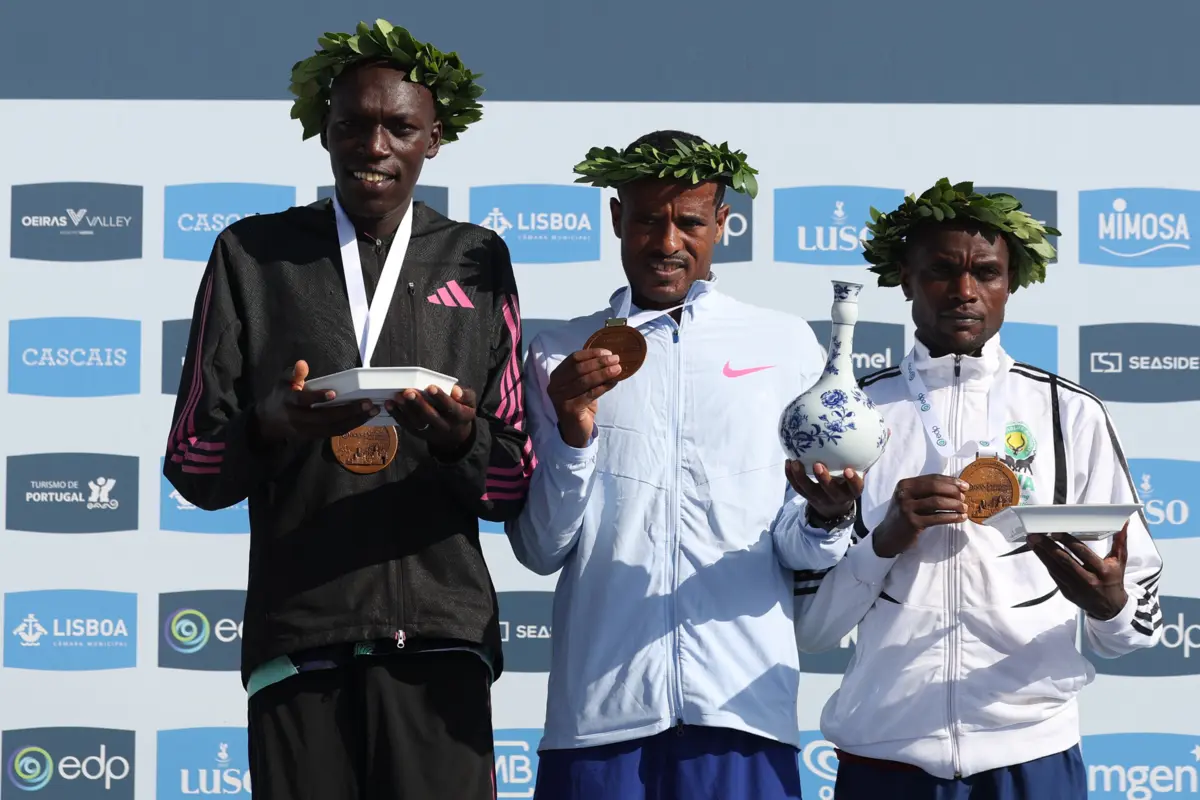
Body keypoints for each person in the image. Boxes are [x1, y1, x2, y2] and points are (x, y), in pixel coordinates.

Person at [163, 19, 532, 800]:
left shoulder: (478, 258)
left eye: (399, 126)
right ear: (323, 132)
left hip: (441, 637)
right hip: (303, 635)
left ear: (434, 139)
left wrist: (461, 438)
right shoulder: (251, 256)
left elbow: (512, 482)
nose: (375, 145)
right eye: (353, 125)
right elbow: (192, 462)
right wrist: (270, 423)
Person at [783, 180, 1165, 799]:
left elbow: (1134, 625)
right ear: (904, 278)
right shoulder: (849, 419)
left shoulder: (1072, 414)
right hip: (885, 757)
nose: (964, 291)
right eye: (940, 271)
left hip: (1032, 754)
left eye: (985, 272)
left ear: (1010, 282)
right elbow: (810, 630)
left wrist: (1110, 608)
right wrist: (882, 542)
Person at [505, 130, 839, 799]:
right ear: (615, 219)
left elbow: (799, 547)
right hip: (599, 717)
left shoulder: (784, 345)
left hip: (743, 711)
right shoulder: (557, 353)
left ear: (722, 223)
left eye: (689, 222)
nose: (666, 243)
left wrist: (831, 517)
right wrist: (573, 434)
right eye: (648, 220)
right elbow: (541, 548)